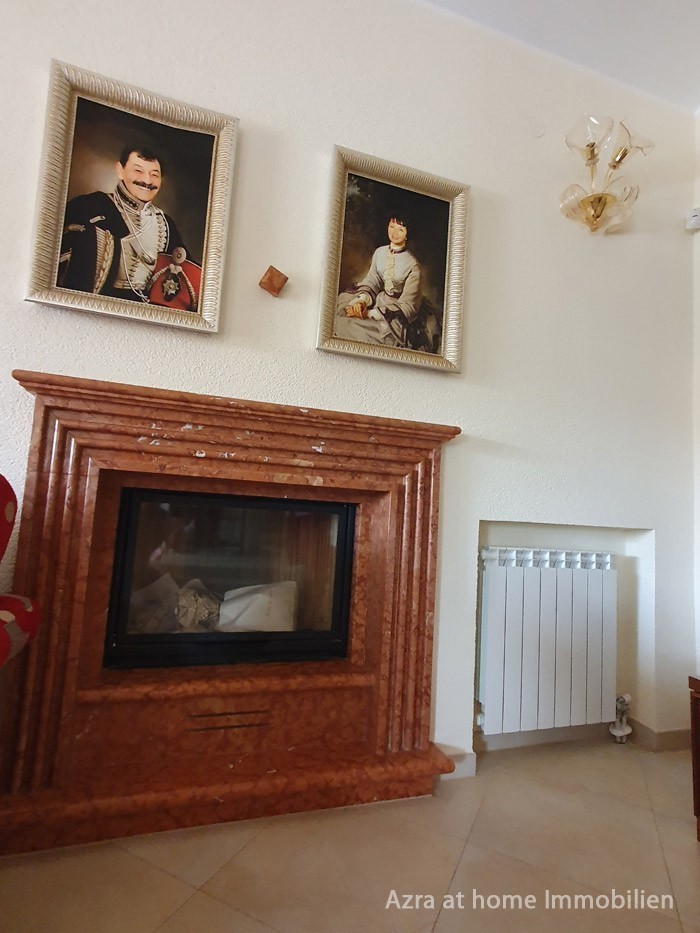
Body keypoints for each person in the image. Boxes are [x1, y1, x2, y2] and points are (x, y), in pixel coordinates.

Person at [57, 145, 199, 311]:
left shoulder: (166, 224)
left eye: (154, 175)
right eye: (138, 171)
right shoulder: (90, 207)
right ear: (120, 170)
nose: (147, 181)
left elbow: (189, 274)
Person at [335, 215, 422, 348]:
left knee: (347, 326)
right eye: (391, 227)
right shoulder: (380, 252)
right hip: (378, 300)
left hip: (394, 314)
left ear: (407, 234)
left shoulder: (413, 265)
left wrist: (369, 314)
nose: (394, 233)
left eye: (400, 229)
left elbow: (408, 305)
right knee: (341, 313)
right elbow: (373, 280)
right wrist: (362, 301)